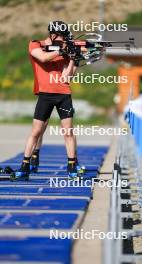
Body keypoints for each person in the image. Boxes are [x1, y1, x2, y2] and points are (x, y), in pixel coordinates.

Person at [11, 20, 83, 181]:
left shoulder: (64, 50)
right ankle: (25, 165)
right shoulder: (35, 44)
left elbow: (66, 77)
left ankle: (72, 166)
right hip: (45, 95)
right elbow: (43, 58)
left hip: (63, 95)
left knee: (68, 132)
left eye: (65, 37)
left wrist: (73, 59)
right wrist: (62, 50)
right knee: (36, 132)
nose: (64, 40)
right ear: (53, 34)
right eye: (62, 37)